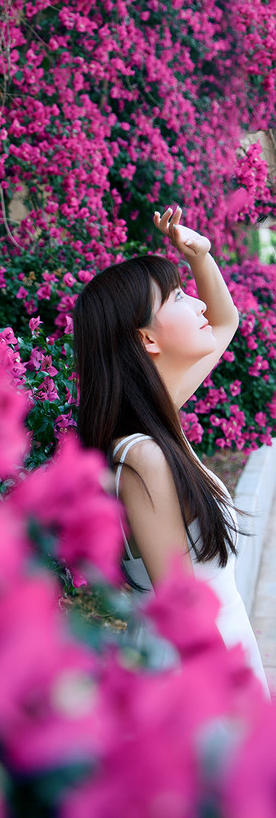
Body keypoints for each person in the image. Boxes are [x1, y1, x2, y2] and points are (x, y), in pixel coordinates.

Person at [73, 206, 269, 695]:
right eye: (181, 296)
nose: (198, 305)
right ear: (146, 338)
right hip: (195, 682)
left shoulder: (155, 417)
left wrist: (199, 255)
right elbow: (181, 611)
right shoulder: (143, 458)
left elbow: (226, 319)